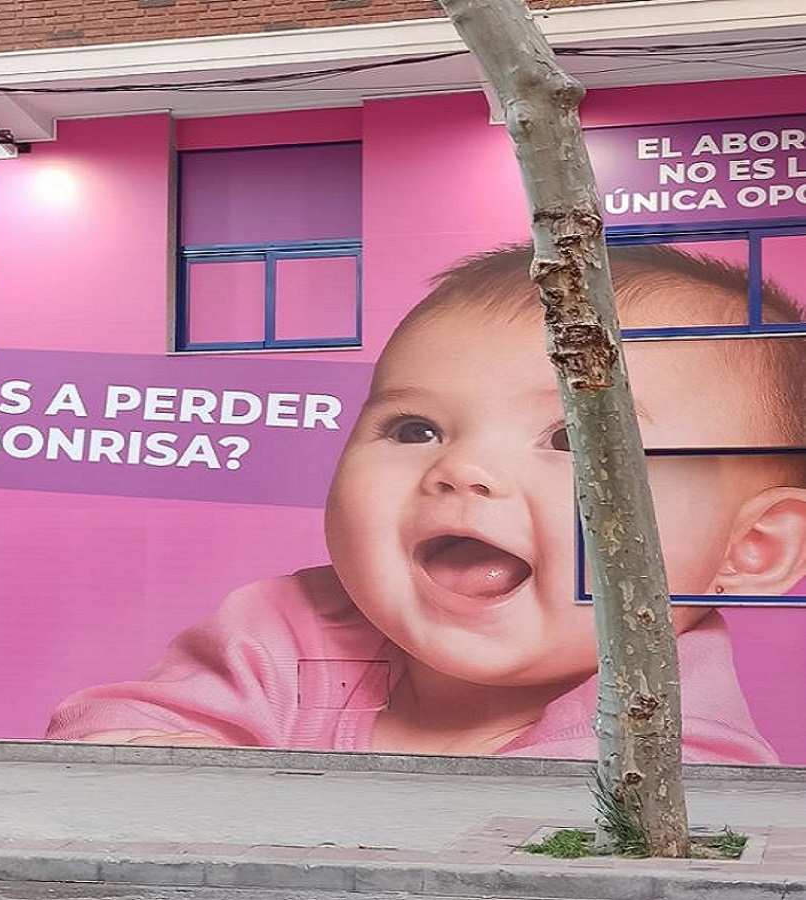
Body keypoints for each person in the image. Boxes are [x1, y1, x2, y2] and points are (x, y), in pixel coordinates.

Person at [46, 244, 806, 764]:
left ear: (752, 548)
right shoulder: (291, 627)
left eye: (572, 441)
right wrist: (157, 761)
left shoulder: (679, 749)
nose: (462, 467)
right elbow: (117, 729)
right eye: (415, 428)